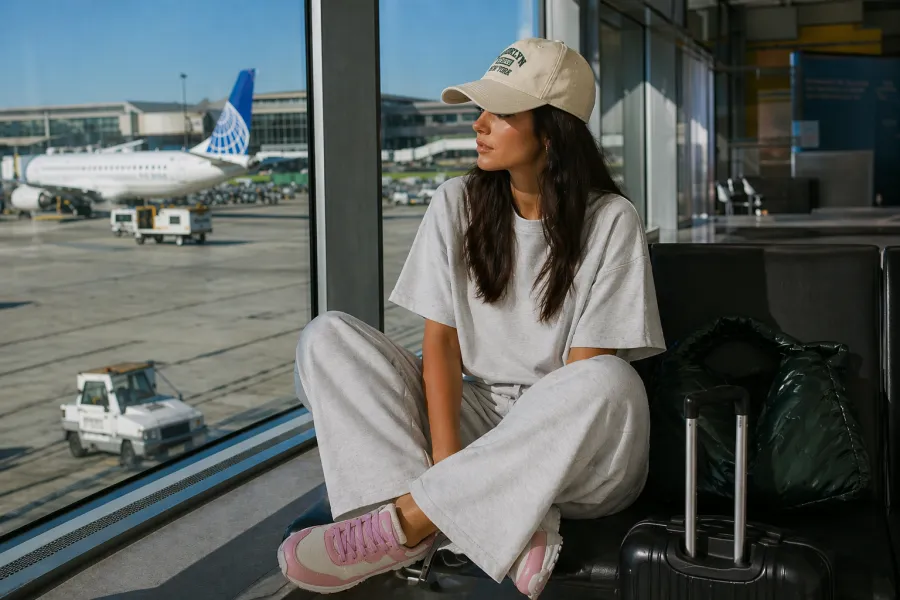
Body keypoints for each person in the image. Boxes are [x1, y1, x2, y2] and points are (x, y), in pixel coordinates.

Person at [278, 37, 666, 599]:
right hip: (481, 418)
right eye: (481, 108)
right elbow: (440, 348)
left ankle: (412, 521)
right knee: (327, 337)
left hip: (579, 454)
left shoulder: (611, 220)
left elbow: (583, 376)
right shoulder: (455, 202)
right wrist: (451, 470)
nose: (479, 123)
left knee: (609, 380)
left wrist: (470, 479)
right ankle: (481, 517)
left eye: (502, 111)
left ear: (553, 129)